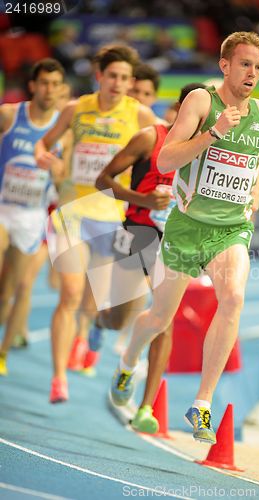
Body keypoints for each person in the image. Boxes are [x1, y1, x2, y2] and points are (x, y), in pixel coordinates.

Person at [110, 31, 259, 444]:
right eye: (244, 64)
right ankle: (130, 360)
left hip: (231, 228)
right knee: (159, 318)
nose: (252, 72)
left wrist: (254, 190)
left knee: (233, 298)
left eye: (258, 65)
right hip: (186, 227)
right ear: (225, 65)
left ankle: (201, 404)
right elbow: (166, 158)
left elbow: (252, 164)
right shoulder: (201, 101)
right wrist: (214, 133)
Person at [35, 45, 156, 403]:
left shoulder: (141, 115)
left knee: (94, 297)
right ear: (99, 75)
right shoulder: (76, 108)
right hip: (73, 213)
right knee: (69, 294)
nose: (118, 84)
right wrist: (46, 157)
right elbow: (46, 142)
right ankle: (58, 379)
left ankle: (83, 336)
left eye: (125, 78)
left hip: (112, 219)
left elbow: (165, 147)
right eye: (113, 76)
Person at [90, 83, 207, 433]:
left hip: (173, 240)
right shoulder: (148, 138)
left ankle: (146, 407)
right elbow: (102, 180)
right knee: (118, 318)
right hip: (137, 231)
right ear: (181, 110)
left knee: (163, 318)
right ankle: (101, 322)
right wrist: (140, 201)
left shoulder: (207, 151)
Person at [67, 62, 164, 371]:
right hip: (100, 211)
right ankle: (82, 338)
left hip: (130, 217)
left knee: (130, 290)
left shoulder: (157, 131)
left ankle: (112, 329)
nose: (139, 98)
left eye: (146, 94)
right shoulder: (105, 116)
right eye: (136, 91)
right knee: (83, 287)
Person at [0, 58, 67, 376]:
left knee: (12, 290)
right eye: (44, 83)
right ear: (33, 86)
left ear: (61, 88)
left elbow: (64, 180)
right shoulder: (10, 115)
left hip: (31, 217)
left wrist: (57, 171)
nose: (49, 89)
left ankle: (2, 354)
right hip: (3, 208)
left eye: (55, 84)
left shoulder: (62, 131)